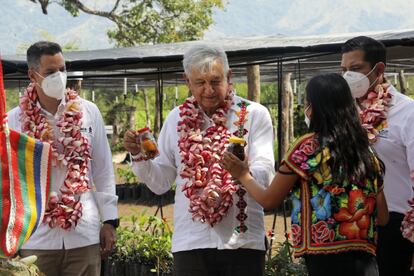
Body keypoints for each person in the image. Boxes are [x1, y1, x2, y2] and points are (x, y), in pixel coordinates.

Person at [124, 44, 275, 276]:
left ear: (229, 76)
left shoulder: (253, 114)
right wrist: (138, 156)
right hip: (191, 242)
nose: (208, 90)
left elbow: (266, 174)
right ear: (187, 81)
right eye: (200, 83)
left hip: (242, 241)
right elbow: (161, 182)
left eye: (215, 81)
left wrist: (244, 172)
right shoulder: (176, 119)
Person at [222, 73, 389, 276]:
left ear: (315, 107)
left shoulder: (309, 147)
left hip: (325, 264)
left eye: (307, 104)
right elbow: (383, 217)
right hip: (367, 264)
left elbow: (269, 200)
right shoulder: (366, 152)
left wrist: (242, 174)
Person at [7, 41, 119, 276]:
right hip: (35, 239)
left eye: (63, 69)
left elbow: (103, 169)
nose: (59, 77)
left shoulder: (88, 112)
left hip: (83, 234)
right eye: (50, 72)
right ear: (32, 75)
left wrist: (110, 221)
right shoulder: (14, 121)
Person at [340, 36, 414, 276]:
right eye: (343, 70)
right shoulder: (344, 113)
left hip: (395, 225)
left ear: (378, 69)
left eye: (355, 69)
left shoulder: (407, 113)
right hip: (350, 222)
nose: (348, 76)